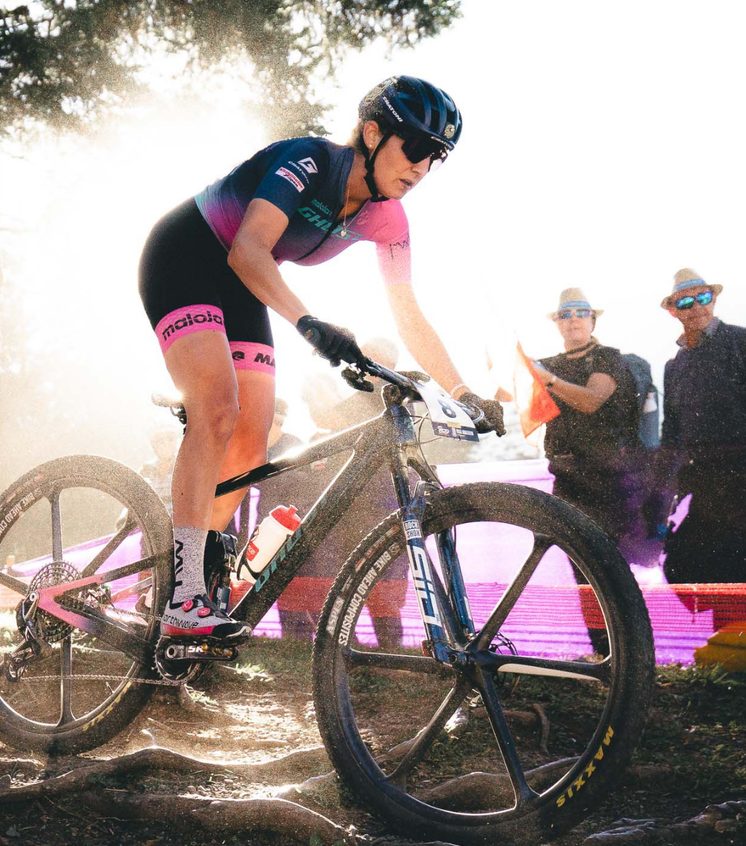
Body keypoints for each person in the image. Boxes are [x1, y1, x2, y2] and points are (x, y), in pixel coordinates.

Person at [139, 75, 504, 638]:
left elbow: (408, 312)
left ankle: (192, 570)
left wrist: (463, 392)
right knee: (218, 407)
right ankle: (182, 591)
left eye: (437, 157)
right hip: (188, 254)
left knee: (251, 442)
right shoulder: (309, 161)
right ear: (373, 133)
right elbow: (248, 248)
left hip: (242, 280)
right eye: (415, 148)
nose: (422, 167)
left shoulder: (390, 219)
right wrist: (309, 323)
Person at [644, 269, 746, 613]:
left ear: (713, 300)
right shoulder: (674, 365)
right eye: (686, 302)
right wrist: (661, 490)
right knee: (689, 565)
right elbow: (672, 434)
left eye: (703, 297)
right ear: (673, 311)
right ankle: (733, 638)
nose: (696, 306)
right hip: (705, 486)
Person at [530, 289, 639, 654]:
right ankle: (604, 656)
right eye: (565, 314)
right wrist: (502, 359)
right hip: (566, 478)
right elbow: (504, 392)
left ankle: (630, 655)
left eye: (580, 312)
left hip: (607, 479)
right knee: (582, 569)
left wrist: (545, 379)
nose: (573, 319)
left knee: (612, 568)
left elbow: (592, 400)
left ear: (593, 320)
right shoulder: (545, 364)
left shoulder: (609, 357)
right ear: (557, 323)